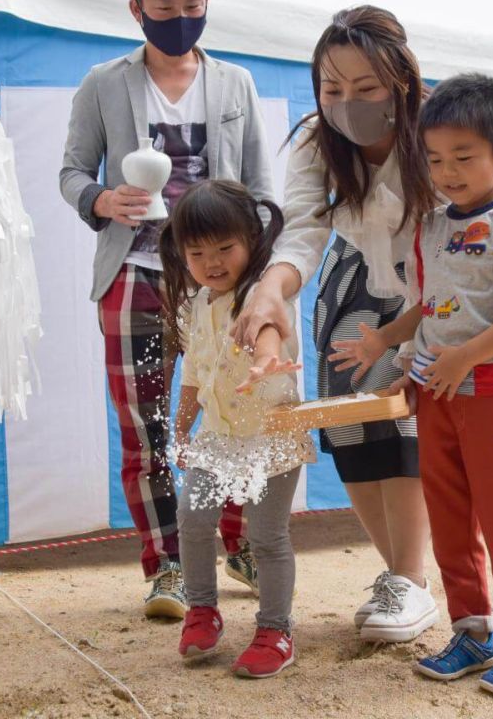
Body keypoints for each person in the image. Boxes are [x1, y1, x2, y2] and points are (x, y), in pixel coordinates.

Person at [59, 0, 274, 619]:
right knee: (148, 425)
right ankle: (169, 566)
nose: (180, 16)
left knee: (239, 413)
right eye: (164, 6)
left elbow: (263, 187)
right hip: (137, 271)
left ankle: (236, 543)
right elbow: (70, 172)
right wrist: (100, 199)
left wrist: (259, 279)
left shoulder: (235, 82)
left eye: (192, 4)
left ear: (207, 3)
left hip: (221, 282)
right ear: (136, 9)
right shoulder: (104, 84)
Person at [334, 73, 493, 697]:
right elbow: (430, 305)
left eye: (463, 157)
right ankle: (473, 630)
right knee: (449, 514)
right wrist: (391, 346)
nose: (447, 171)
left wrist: (465, 359)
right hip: (435, 393)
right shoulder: (430, 225)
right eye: (434, 159)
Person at [233, 5, 439, 642]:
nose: (347, 103)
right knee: (350, 430)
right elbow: (301, 233)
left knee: (402, 423)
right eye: (332, 89)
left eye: (366, 88)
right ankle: (399, 578)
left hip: (425, 288)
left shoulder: (437, 131)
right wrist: (269, 289)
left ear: (401, 81)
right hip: (349, 287)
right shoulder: (315, 143)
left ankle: (411, 579)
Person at [159, 180, 313, 679]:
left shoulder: (262, 295)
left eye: (225, 247)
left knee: (267, 535)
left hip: (271, 437)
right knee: (193, 516)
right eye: (197, 252)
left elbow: (266, 334)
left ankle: (275, 630)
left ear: (252, 240)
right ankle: (202, 609)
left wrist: (267, 361)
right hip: (218, 439)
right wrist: (180, 432)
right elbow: (196, 376)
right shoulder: (196, 305)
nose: (213, 261)